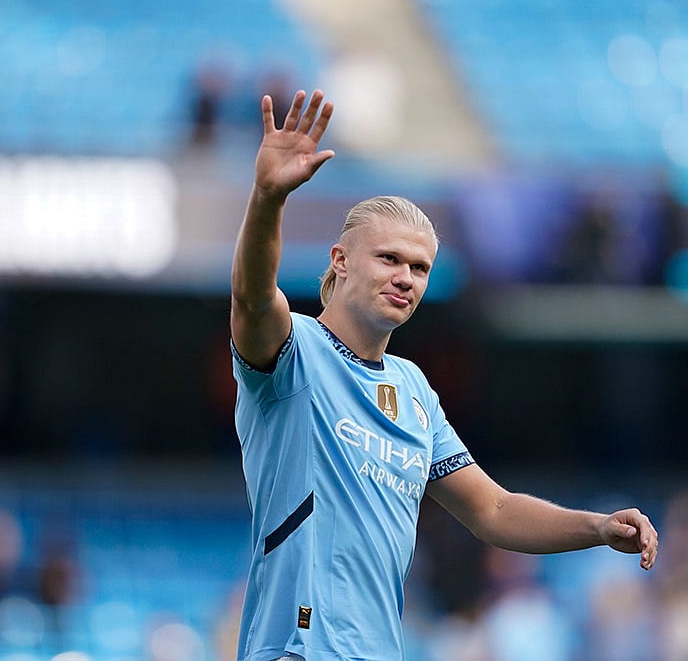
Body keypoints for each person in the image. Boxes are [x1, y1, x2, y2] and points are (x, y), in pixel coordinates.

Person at [229, 89, 659, 661]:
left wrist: (597, 528)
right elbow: (254, 299)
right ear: (340, 260)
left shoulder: (413, 391)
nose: (406, 276)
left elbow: (493, 511)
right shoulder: (295, 351)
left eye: (420, 267)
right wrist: (267, 197)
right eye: (389, 259)